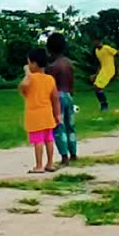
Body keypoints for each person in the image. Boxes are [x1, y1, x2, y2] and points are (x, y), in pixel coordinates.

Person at [19, 48, 61, 174]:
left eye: (29, 63)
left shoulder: (30, 79)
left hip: (35, 116)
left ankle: (38, 165)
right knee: (49, 140)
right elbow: (55, 98)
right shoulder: (50, 79)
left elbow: (23, 86)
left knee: (38, 141)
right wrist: (57, 114)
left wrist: (27, 72)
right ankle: (50, 163)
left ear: (34, 64)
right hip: (47, 114)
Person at [46, 33, 78, 166]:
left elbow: (49, 86)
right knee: (71, 126)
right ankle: (74, 153)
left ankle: (64, 156)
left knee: (59, 126)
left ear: (50, 49)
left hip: (57, 97)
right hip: (69, 96)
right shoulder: (69, 64)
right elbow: (71, 83)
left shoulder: (52, 67)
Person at [91, 37, 119, 111]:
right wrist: (96, 74)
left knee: (98, 87)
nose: (94, 43)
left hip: (109, 70)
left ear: (100, 41)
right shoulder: (96, 51)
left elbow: (118, 54)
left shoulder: (107, 48)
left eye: (95, 41)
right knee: (96, 87)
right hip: (103, 70)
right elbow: (100, 63)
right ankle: (103, 105)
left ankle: (105, 106)